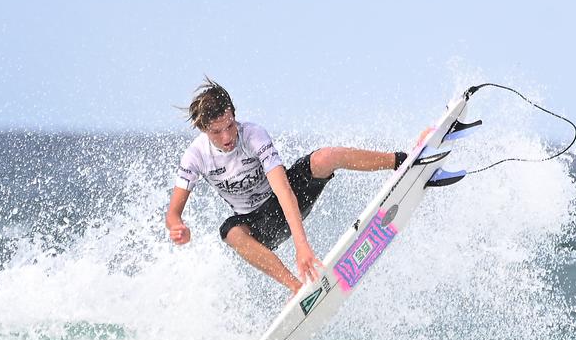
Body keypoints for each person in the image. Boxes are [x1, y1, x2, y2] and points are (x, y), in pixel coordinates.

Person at [166, 78, 407, 296]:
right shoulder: (195, 156)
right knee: (231, 232)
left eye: (230, 125)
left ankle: (400, 160)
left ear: (234, 115)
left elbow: (283, 189)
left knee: (326, 157)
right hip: (260, 227)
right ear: (203, 129)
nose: (227, 137)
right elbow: (173, 214)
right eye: (217, 132)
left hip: (288, 201)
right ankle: (297, 287)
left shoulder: (253, 135)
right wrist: (178, 227)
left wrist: (302, 247)